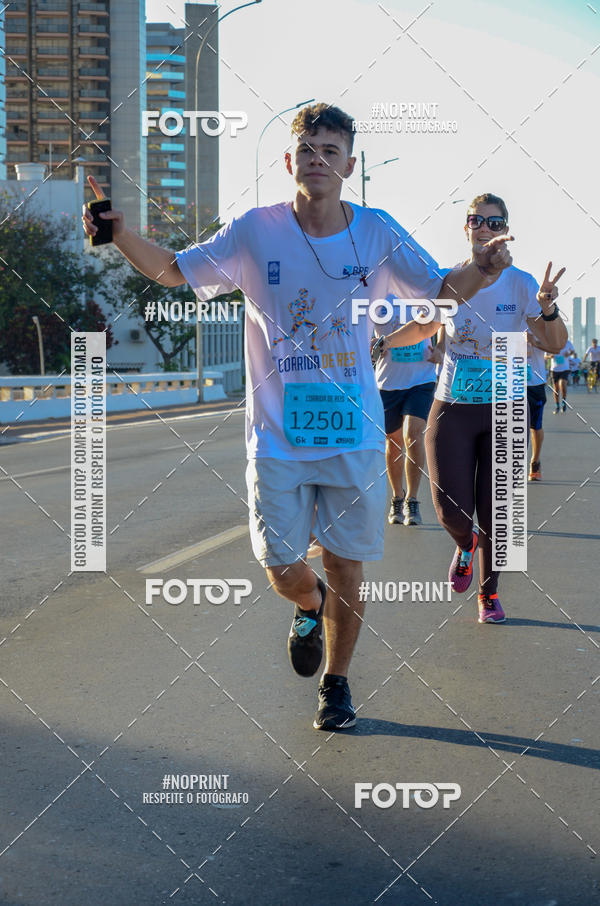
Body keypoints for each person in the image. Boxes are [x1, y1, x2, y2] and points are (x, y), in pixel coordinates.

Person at [82, 105, 513, 730]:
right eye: (307, 150)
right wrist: (120, 234)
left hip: (352, 432)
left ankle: (336, 685)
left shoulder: (378, 231)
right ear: (289, 161)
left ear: (350, 165)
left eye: (330, 151)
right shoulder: (256, 231)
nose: (318, 160)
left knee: (346, 564)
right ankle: (307, 605)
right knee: (282, 565)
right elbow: (175, 270)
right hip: (277, 436)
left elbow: (439, 293)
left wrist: (484, 268)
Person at [379, 193, 567, 624]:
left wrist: (548, 308)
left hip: (506, 409)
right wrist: (385, 341)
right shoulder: (452, 280)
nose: (483, 227)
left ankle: (488, 594)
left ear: (505, 228)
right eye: (475, 220)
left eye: (493, 221)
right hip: (452, 408)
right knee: (449, 509)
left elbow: (555, 343)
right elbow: (427, 323)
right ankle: (464, 544)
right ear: (466, 228)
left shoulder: (522, 283)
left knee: (498, 515)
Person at [374, 297, 439, 526]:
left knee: (412, 435)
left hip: (421, 379)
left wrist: (440, 348)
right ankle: (397, 497)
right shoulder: (376, 294)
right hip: (387, 381)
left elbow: (447, 320)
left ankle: (412, 499)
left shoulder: (424, 289)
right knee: (393, 444)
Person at [527, 331, 549, 481]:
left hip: (535, 383)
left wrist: (534, 341)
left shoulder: (541, 324)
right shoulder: (505, 316)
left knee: (535, 426)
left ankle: (535, 461)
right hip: (509, 381)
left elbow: (556, 347)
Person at [550, 339, 575, 412]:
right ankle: (557, 405)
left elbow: (572, 351)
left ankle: (564, 402)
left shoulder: (568, 342)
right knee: (556, 389)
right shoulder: (551, 342)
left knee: (562, 385)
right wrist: (550, 356)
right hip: (554, 369)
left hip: (565, 369)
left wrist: (569, 354)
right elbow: (545, 356)